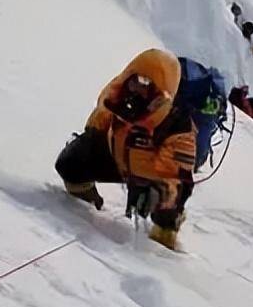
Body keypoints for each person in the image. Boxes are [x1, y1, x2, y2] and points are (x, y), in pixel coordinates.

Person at [55, 48, 196, 250]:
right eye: (134, 80)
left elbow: (176, 177)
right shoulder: (114, 99)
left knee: (166, 210)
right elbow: (94, 130)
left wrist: (156, 191)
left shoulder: (177, 126)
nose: (137, 88)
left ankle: (163, 253)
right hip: (119, 161)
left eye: (147, 84)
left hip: (152, 177)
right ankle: (85, 204)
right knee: (71, 162)